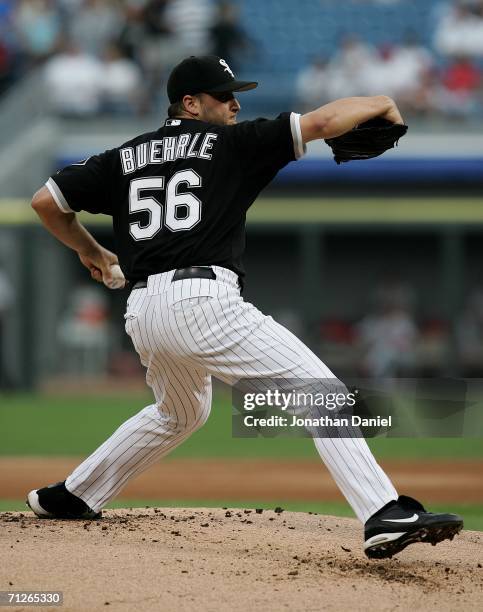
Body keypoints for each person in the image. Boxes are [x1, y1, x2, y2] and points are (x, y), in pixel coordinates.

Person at [27, 54, 463, 559]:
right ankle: (382, 512)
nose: (235, 104)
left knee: (179, 413)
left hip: (143, 311)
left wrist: (90, 250)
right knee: (324, 396)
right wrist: (384, 101)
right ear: (190, 104)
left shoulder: (123, 156)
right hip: (203, 302)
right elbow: (323, 122)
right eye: (224, 96)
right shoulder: (232, 143)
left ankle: (73, 494)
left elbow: (44, 201)